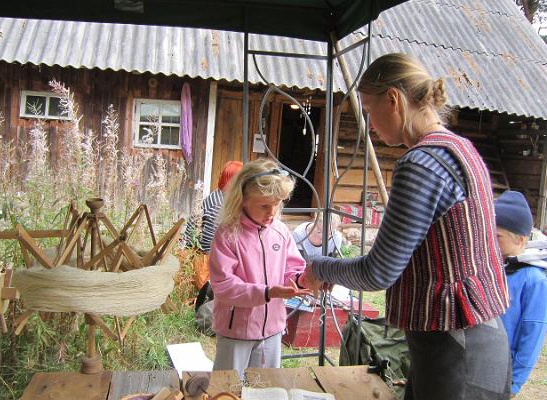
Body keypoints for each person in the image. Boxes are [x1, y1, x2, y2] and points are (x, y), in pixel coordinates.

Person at [302, 53, 511, 399]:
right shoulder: (460, 148)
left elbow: (378, 272)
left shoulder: (421, 164)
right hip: (476, 336)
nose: (369, 124)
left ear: (394, 99)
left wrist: (320, 267)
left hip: (456, 344)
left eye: (369, 110)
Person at [208, 158, 311, 379]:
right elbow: (224, 287)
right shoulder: (228, 235)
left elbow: (292, 268)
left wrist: (302, 279)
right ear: (243, 199)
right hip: (235, 331)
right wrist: (268, 292)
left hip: (272, 331)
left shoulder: (281, 232)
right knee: (227, 389)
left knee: (266, 389)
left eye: (278, 203)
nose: (272, 211)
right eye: (264, 205)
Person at [494, 190, 547, 396]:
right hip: (481, 362)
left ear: (520, 239)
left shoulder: (535, 280)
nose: (490, 241)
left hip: (504, 371)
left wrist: (514, 383)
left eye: (497, 236)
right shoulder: (496, 267)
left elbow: (532, 335)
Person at [182, 160, 243, 289]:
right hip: (200, 258)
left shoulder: (223, 196)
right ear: (233, 181)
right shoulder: (218, 204)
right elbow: (207, 243)